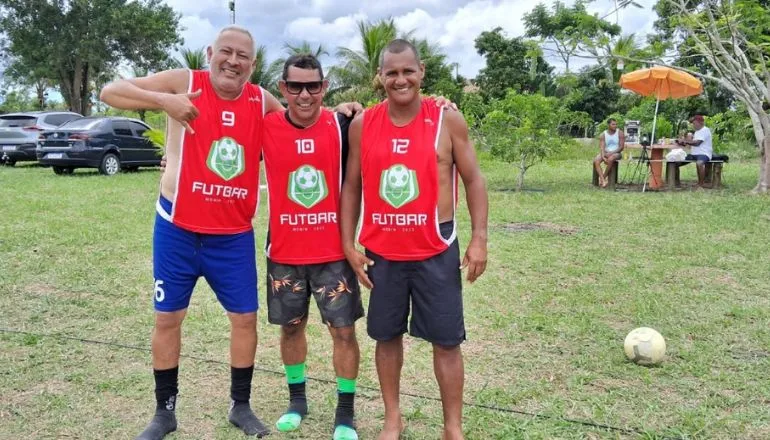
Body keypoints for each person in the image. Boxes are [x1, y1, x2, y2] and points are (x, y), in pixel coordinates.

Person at [100, 25, 283, 440]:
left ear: (252, 66)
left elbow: (300, 122)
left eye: (242, 56)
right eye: (226, 52)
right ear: (210, 52)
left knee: (245, 320)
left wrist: (348, 113)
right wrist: (164, 100)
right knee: (168, 319)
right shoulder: (186, 82)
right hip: (177, 229)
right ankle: (164, 413)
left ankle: (241, 406)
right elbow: (110, 91)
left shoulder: (260, 99)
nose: (232, 61)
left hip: (232, 235)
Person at [340, 39, 488, 440]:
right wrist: (348, 243)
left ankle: (452, 428)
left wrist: (480, 238)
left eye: (408, 71)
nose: (400, 79)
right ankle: (393, 419)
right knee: (386, 337)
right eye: (392, 72)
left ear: (421, 72)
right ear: (380, 77)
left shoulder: (446, 119)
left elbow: (473, 179)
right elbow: (351, 186)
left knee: (446, 341)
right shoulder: (362, 124)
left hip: (435, 249)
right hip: (383, 252)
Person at [261, 54, 364, 440]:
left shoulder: (343, 125)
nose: (305, 95)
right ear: (282, 89)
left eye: (314, 86)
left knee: (344, 333)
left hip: (334, 255)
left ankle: (345, 412)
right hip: (284, 254)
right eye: (296, 86)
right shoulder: (266, 127)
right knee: (291, 329)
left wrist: (442, 103)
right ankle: (297, 401)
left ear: (325, 87)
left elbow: (396, 113)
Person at [677, 114, 712, 188]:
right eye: (693, 123)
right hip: (694, 154)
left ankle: (701, 184)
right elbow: (691, 144)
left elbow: (697, 143)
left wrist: (685, 141)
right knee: (675, 162)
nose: (693, 125)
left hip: (704, 154)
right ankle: (675, 182)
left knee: (699, 163)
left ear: (701, 122)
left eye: (694, 123)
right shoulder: (697, 132)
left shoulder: (705, 130)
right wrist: (682, 143)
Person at [593, 118, 625, 188]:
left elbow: (621, 147)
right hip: (606, 152)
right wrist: (603, 155)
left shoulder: (620, 133)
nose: (615, 126)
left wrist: (611, 153)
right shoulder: (603, 134)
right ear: (608, 125)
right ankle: (603, 180)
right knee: (596, 160)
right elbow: (602, 147)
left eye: (616, 124)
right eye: (613, 124)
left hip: (616, 153)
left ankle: (604, 176)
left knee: (611, 158)